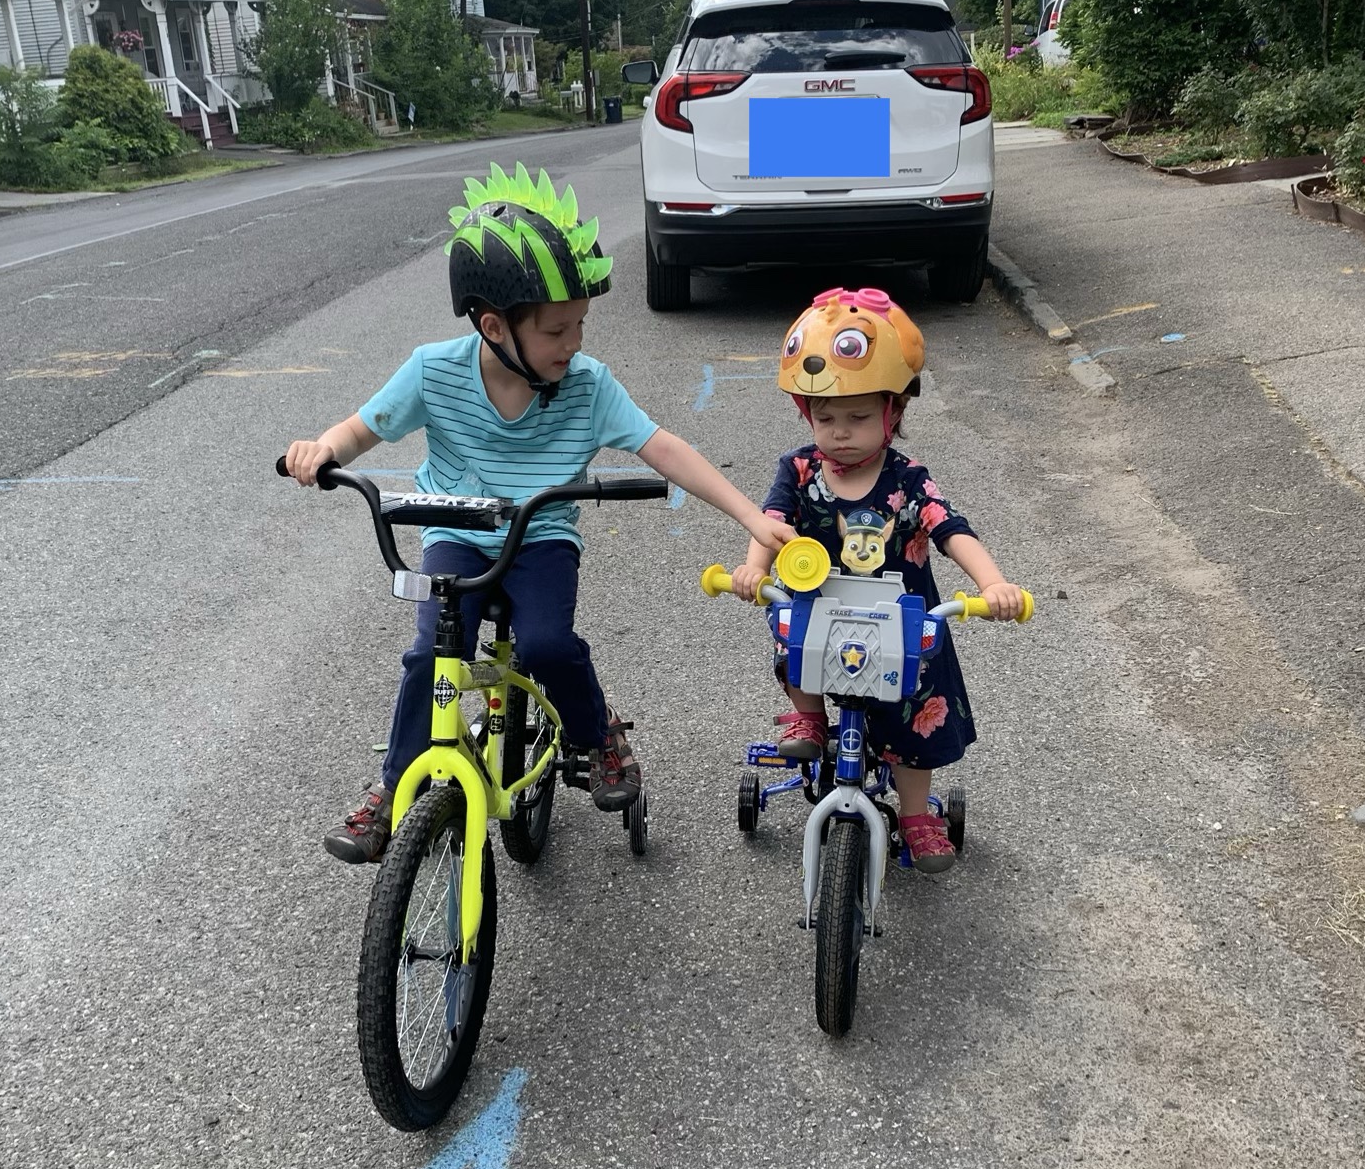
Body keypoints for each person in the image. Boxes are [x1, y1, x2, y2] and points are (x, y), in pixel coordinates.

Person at [283, 163, 793, 864]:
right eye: (558, 329)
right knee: (432, 655)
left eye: (580, 324)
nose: (574, 342)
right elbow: (362, 427)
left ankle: (598, 732)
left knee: (548, 644)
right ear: (494, 326)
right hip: (456, 533)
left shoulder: (585, 385)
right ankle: (394, 785)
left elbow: (663, 447)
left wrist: (749, 517)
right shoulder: (434, 370)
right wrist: (323, 449)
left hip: (541, 535)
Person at [730, 285, 1026, 876]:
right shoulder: (798, 469)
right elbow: (770, 522)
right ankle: (809, 717)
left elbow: (951, 530)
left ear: (894, 412)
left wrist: (994, 583)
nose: (840, 431)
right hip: (823, 611)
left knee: (921, 709)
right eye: (826, 417)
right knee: (792, 632)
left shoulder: (906, 478)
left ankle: (916, 814)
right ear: (806, 414)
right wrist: (753, 570)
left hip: (900, 621)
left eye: (860, 417)